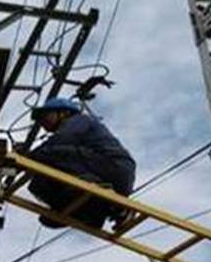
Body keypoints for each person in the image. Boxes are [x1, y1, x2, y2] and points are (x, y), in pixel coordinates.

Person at [25, 97, 136, 229]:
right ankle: (97, 213)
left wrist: (28, 156)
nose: (42, 121)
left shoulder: (79, 120)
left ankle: (100, 189)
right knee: (38, 183)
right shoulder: (71, 128)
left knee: (51, 154)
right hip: (104, 172)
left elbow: (60, 140)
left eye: (46, 115)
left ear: (64, 113)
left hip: (114, 166)